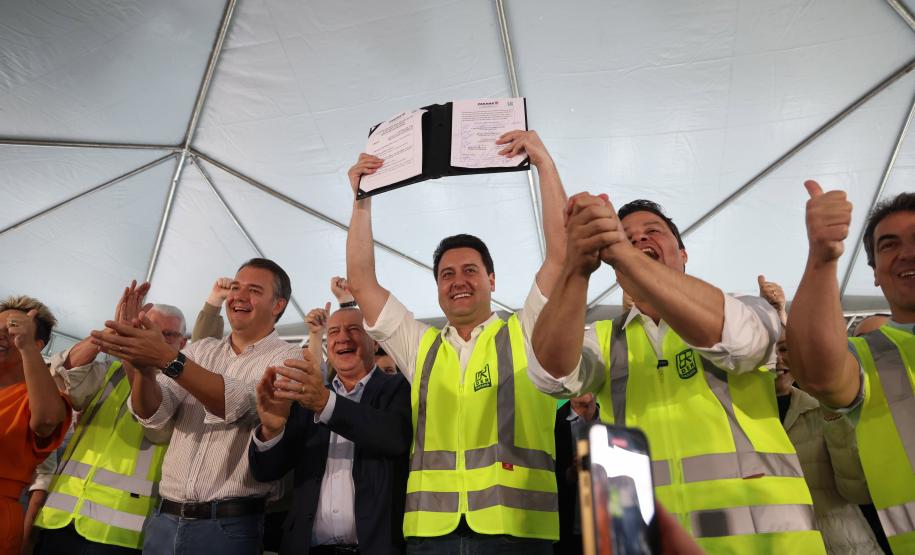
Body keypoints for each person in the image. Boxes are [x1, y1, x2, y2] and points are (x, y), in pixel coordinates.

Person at [529, 195, 825, 553]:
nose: (637, 240)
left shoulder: (742, 307)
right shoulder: (604, 339)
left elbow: (742, 343)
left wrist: (624, 253)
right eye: (624, 235)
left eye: (652, 231)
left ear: (683, 253)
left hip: (765, 539)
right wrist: (576, 269)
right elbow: (550, 375)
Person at [346, 130, 568, 553]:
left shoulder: (525, 332)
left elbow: (561, 256)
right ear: (437, 288)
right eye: (447, 274)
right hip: (433, 536)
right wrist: (361, 200)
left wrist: (543, 162)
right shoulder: (422, 346)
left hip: (517, 531)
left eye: (470, 270)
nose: (458, 281)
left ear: (492, 280)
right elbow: (362, 283)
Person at [90, 258, 304, 555]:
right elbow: (154, 412)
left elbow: (243, 402)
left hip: (229, 527)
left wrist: (166, 358)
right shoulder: (200, 350)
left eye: (254, 290)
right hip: (164, 520)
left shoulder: (292, 357)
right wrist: (139, 367)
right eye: (236, 287)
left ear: (278, 305)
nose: (239, 296)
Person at [30, 281, 218, 555]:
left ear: (184, 343)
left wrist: (136, 359)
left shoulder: (186, 391)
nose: (154, 339)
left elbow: (158, 427)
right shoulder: (108, 372)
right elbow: (62, 375)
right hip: (59, 517)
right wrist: (108, 333)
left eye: (167, 334)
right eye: (146, 330)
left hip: (118, 532)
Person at [788, 186, 915, 553]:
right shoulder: (872, 354)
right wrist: (822, 257)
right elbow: (817, 371)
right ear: (874, 273)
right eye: (889, 245)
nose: (907, 253)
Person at [249, 306, 412, 554]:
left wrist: (326, 404)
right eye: (334, 331)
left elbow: (394, 438)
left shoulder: (399, 387)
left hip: (376, 546)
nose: (343, 337)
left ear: (375, 342)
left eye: (354, 329)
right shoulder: (307, 398)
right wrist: (271, 431)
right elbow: (267, 471)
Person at [758, 277, 882, 554]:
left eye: (786, 350)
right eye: (768, 351)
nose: (778, 360)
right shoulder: (740, 416)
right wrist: (772, 312)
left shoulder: (825, 407)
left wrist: (832, 413)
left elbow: (857, 489)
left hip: (845, 545)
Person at [0, 296, 70, 555]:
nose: (3, 336)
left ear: (37, 344)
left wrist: (25, 347)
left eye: (13, 330)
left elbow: (47, 421)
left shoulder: (39, 398)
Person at [554, 393, 599, 555]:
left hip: (609, 532)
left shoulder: (613, 421)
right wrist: (570, 474)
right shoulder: (552, 424)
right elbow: (544, 474)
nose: (583, 382)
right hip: (568, 534)